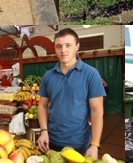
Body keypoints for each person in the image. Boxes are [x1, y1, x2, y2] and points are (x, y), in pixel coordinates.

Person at [37, 28, 105, 159]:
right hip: (51, 141)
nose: (63, 50)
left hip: (79, 143)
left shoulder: (91, 74)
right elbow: (42, 106)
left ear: (77, 46)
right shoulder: (48, 76)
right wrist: (44, 131)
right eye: (59, 46)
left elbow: (97, 111)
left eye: (68, 45)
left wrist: (95, 144)